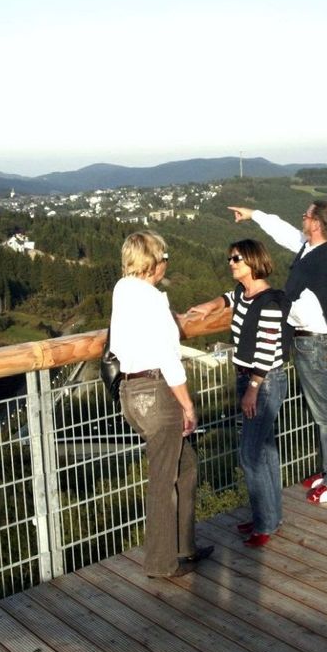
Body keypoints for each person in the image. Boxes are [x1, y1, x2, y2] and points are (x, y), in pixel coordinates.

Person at [229, 201, 327, 504]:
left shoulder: (320, 260)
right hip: (313, 341)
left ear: (316, 224)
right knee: (324, 412)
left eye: (307, 215)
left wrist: (264, 304)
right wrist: (255, 214)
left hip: (315, 342)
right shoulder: (321, 247)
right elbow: (285, 234)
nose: (302, 217)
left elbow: (297, 305)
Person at [108, 231, 212, 577]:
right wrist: (188, 406)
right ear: (155, 262)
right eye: (165, 256)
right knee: (163, 479)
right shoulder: (152, 300)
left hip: (130, 393)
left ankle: (185, 547)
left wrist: (170, 320)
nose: (168, 263)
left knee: (185, 466)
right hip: (157, 392)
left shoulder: (123, 289)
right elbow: (170, 360)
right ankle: (161, 563)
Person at [187, 239, 290, 548]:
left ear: (254, 262)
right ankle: (270, 516)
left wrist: (253, 389)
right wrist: (209, 306)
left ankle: (265, 523)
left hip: (263, 380)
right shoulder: (245, 294)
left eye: (237, 259)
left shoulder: (270, 301)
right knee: (265, 450)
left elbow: (267, 347)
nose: (230, 263)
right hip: (250, 379)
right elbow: (227, 298)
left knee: (249, 455)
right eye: (230, 257)